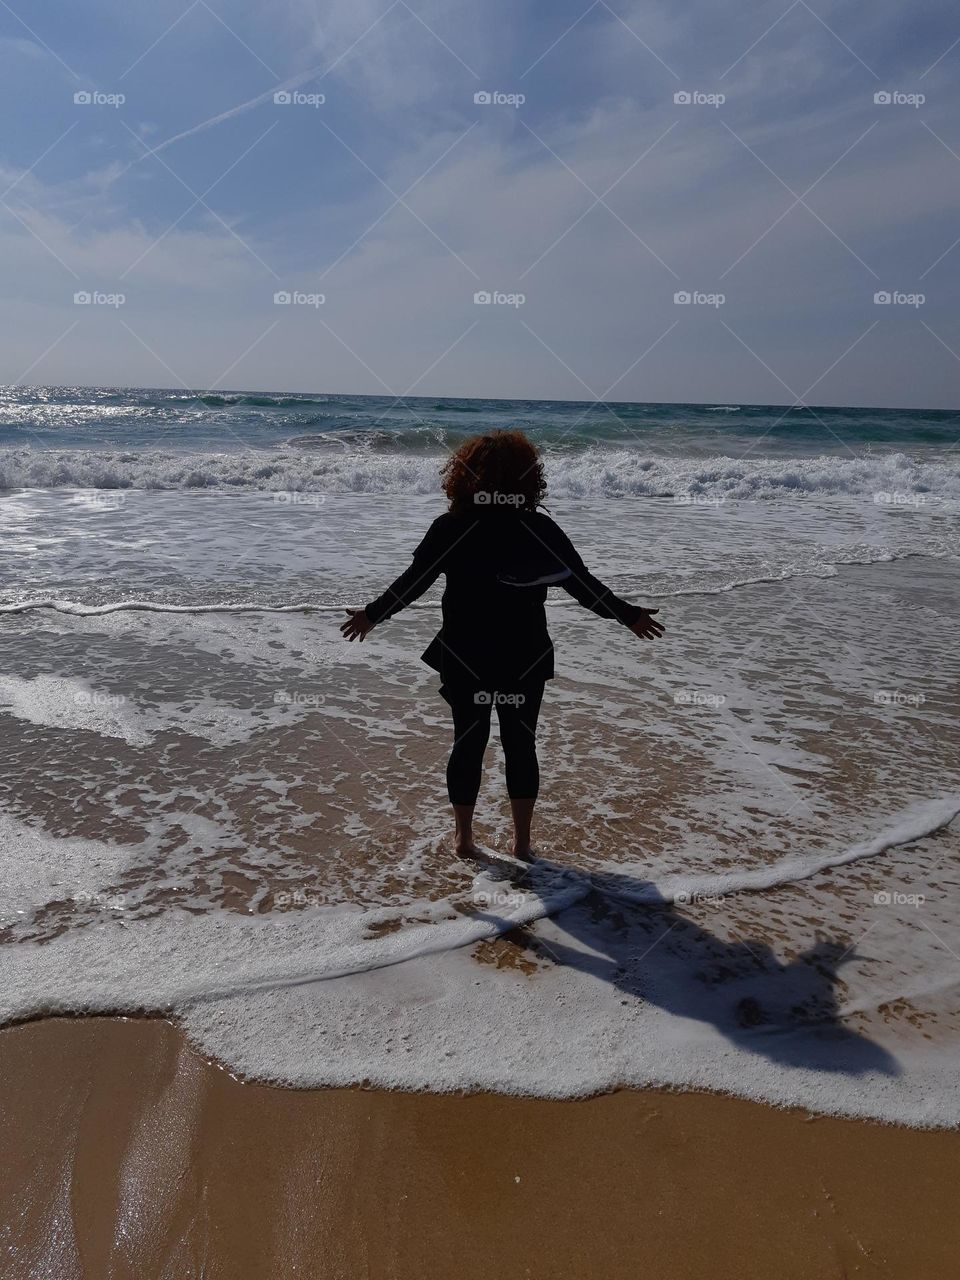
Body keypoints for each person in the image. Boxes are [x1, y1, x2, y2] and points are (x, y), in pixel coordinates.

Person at [340, 430, 664, 861]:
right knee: (520, 743)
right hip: (524, 654)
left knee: (468, 741)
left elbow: (414, 583)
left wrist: (372, 615)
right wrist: (629, 616)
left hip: (465, 653)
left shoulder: (451, 528)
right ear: (529, 478)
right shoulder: (539, 529)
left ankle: (464, 839)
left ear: (464, 474)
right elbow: (583, 587)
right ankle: (523, 843)